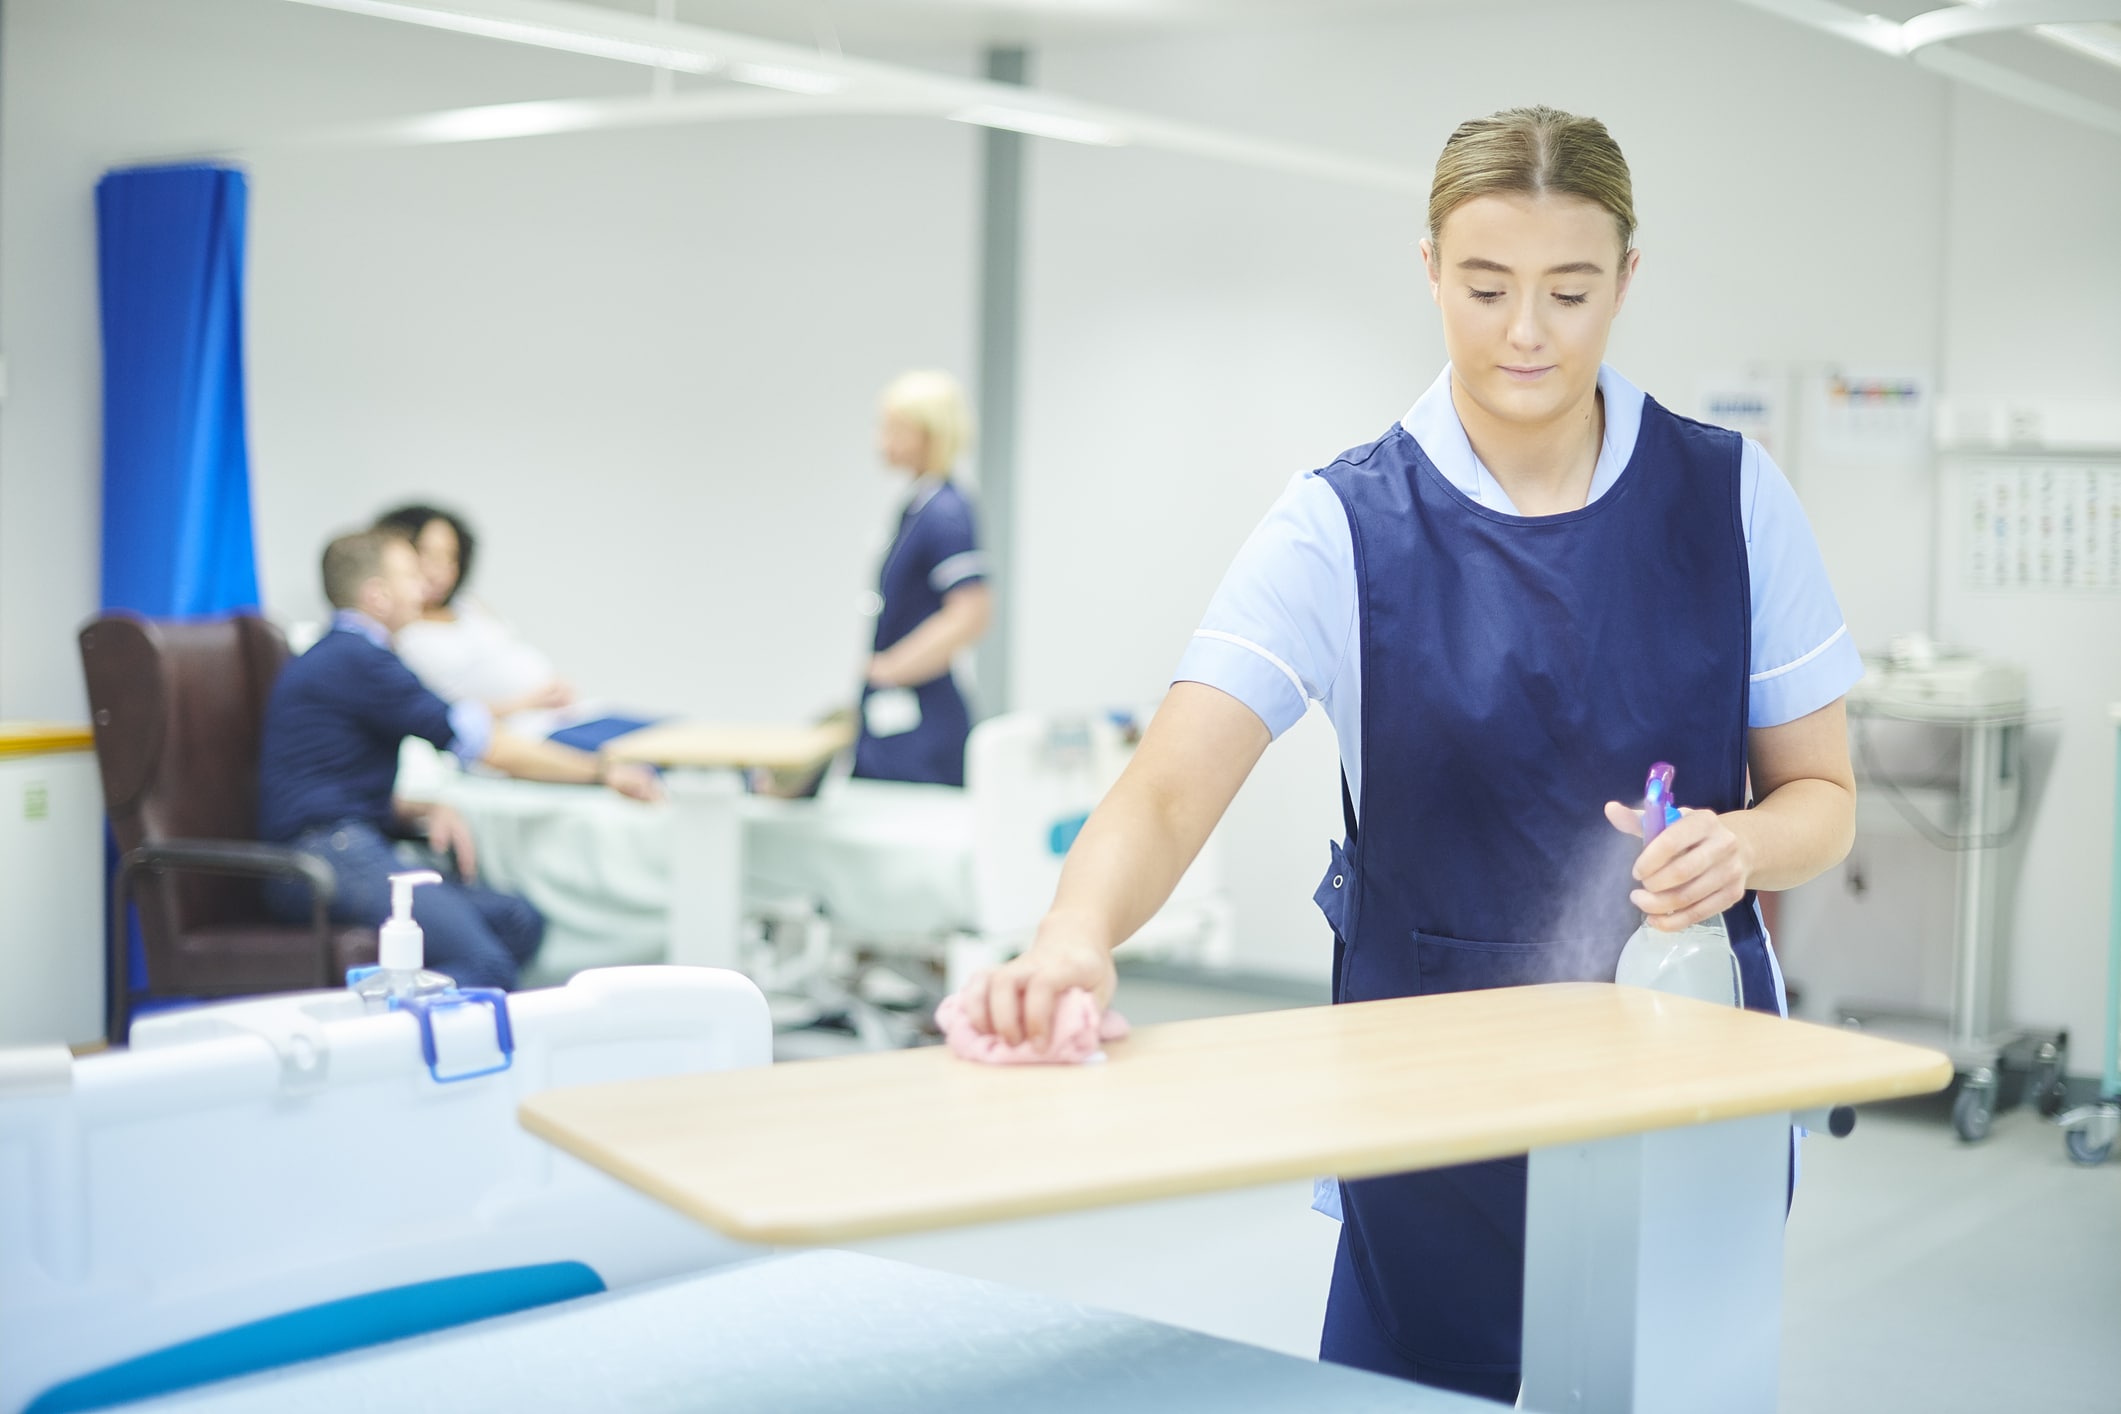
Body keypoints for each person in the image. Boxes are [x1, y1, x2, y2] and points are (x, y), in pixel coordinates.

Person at [953, 107, 1862, 1400]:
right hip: (1431, 1112)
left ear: (1627, 279)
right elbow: (1165, 787)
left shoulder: (1729, 499)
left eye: (1570, 289)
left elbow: (1822, 799)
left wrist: (1745, 842)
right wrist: (1070, 935)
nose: (1526, 332)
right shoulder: (1342, 524)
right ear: (1429, 267)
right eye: (1485, 287)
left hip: (1684, 1093)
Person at [258, 528, 662, 990]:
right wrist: (603, 773)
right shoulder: (359, 661)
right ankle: (377, 1039)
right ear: (377, 596)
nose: (425, 585)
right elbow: (486, 746)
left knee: (517, 921)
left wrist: (424, 808)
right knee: (488, 966)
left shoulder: (345, 657)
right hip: (325, 858)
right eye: (410, 575)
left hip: (342, 843)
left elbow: (327, 782)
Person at [377, 504, 653, 754]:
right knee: (653, 750)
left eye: (450, 558)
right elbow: (437, 717)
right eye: (428, 555)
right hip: (524, 734)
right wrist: (526, 703)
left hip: (569, 714)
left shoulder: (468, 607)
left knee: (671, 733)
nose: (440, 570)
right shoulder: (396, 635)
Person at [851, 370, 993, 788]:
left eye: (895, 428)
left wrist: (892, 669)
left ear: (930, 434)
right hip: (896, 715)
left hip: (921, 725)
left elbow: (971, 614)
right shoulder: (918, 504)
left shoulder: (945, 513)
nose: (882, 440)